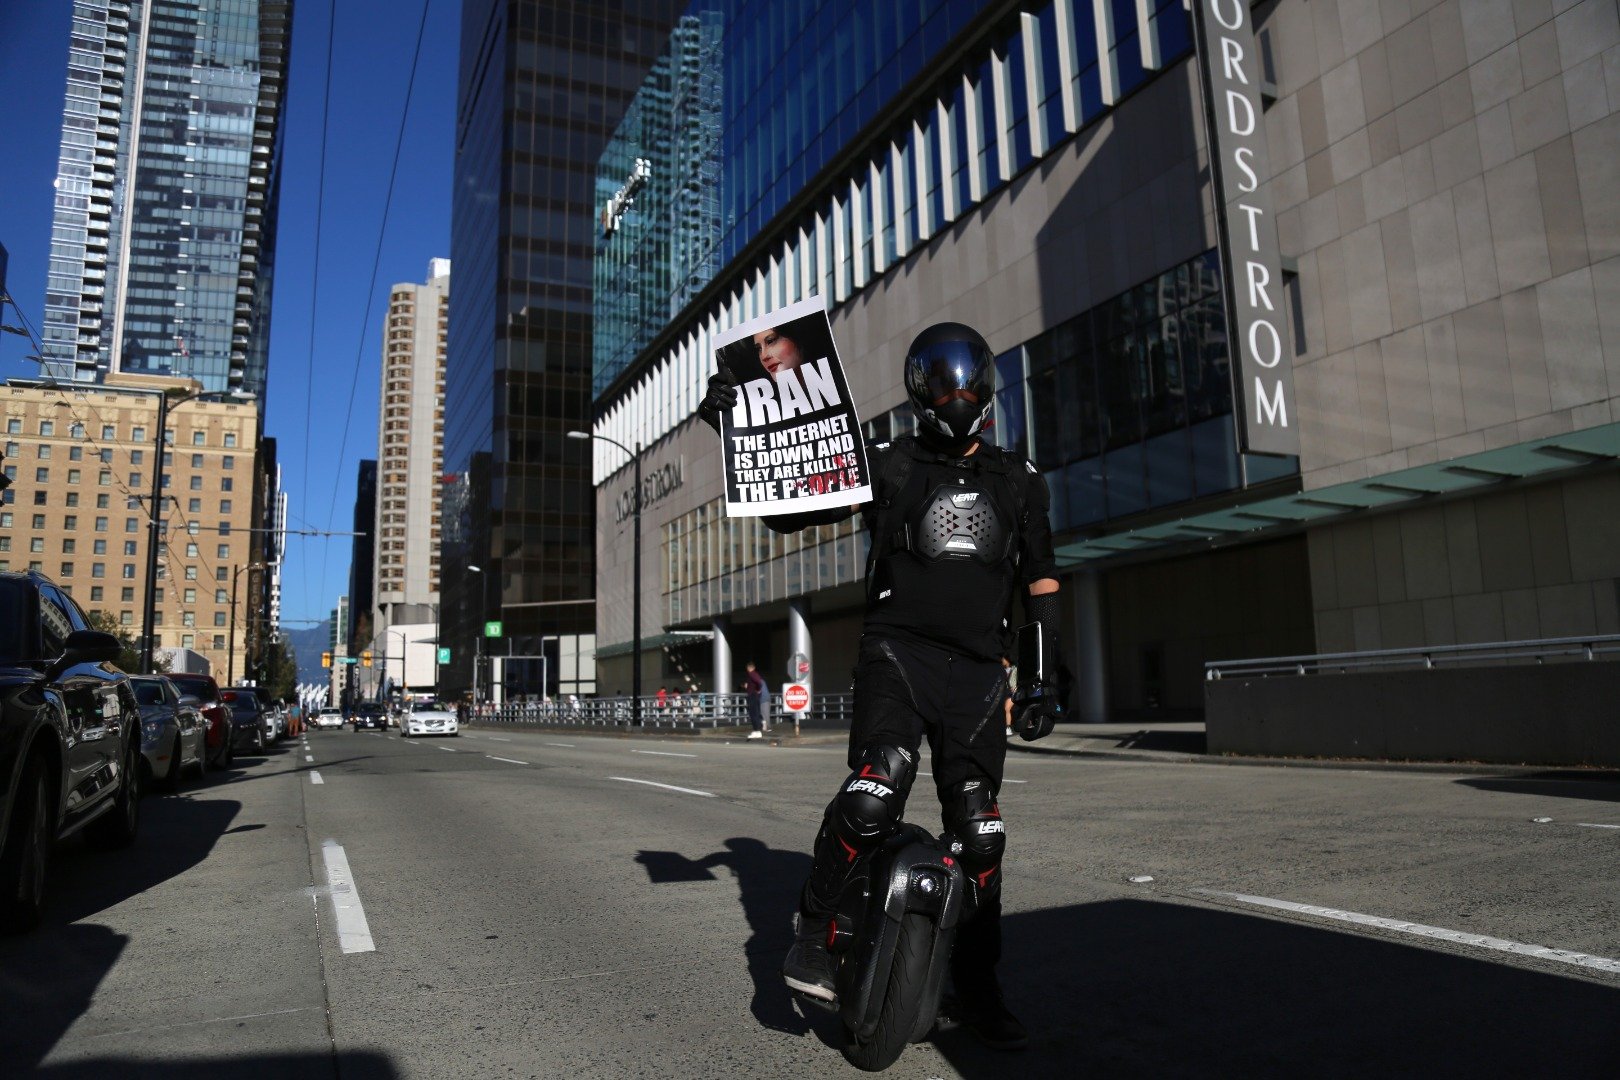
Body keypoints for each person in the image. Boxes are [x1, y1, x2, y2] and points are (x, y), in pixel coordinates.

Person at [700, 321, 1064, 1050]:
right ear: (920, 389)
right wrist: (735, 425)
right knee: (875, 790)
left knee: (981, 833)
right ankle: (813, 929)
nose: (957, 395)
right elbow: (789, 510)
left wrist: (1047, 678)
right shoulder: (891, 464)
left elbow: (1040, 581)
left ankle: (979, 984)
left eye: (968, 382)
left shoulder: (1019, 479)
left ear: (986, 388)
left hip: (979, 677)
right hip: (898, 657)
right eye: (943, 382)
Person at [742, 661, 766, 739]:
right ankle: (757, 729)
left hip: (753, 695)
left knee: (753, 713)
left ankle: (757, 730)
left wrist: (758, 689)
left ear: (748, 668)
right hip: (755, 695)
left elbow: (759, 682)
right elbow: (758, 682)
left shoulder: (751, 674)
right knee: (756, 712)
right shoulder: (755, 674)